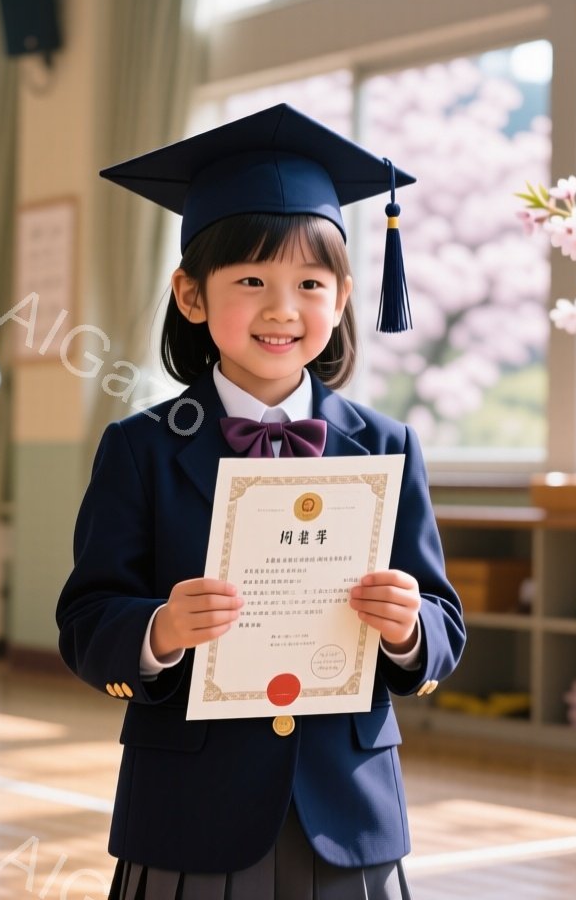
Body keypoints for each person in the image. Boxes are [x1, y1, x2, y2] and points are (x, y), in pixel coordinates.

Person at [56, 103, 467, 898]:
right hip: (189, 811)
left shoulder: (389, 445)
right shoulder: (140, 449)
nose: (283, 308)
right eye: (251, 280)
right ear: (191, 295)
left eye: (310, 283)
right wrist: (159, 630)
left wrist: (411, 630)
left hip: (348, 809)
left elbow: (445, 630)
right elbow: (85, 621)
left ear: (344, 297)